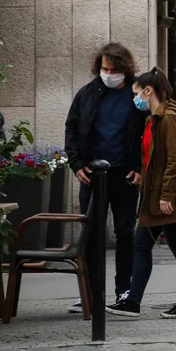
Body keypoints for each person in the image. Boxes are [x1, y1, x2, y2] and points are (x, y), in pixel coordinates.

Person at [107, 68, 176, 319]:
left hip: (167, 197)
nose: (135, 99)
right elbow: (152, 158)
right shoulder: (154, 119)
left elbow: (175, 160)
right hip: (154, 195)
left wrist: (166, 195)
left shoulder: (168, 118)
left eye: (137, 93)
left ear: (149, 91)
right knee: (142, 245)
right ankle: (133, 302)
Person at [65, 42, 144, 312]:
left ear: (125, 69)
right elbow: (72, 128)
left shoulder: (137, 96)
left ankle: (124, 291)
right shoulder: (87, 94)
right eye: (104, 68)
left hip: (124, 175)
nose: (108, 73)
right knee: (91, 235)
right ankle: (89, 292)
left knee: (125, 234)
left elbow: (147, 133)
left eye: (113, 69)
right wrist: (76, 164)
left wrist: (140, 167)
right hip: (92, 175)